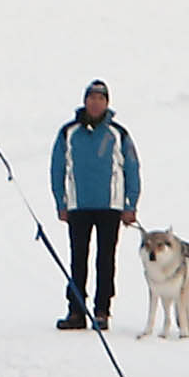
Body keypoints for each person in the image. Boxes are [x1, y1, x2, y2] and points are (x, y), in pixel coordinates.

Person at [48, 80, 141, 330]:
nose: (95, 103)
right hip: (78, 206)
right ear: (85, 101)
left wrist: (130, 203)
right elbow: (57, 168)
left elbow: (131, 167)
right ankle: (76, 310)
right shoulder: (69, 132)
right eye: (91, 98)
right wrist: (61, 201)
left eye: (100, 98)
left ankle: (102, 310)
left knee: (106, 260)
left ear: (107, 103)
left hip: (110, 206)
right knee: (78, 259)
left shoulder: (118, 134)